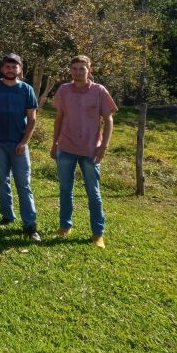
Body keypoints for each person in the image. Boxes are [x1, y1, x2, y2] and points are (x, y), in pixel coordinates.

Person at [50, 55, 118, 249]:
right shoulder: (64, 90)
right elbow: (59, 117)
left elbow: (109, 119)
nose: (78, 72)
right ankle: (65, 226)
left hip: (91, 150)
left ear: (90, 69)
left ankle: (98, 233)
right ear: (70, 70)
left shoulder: (99, 91)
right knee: (65, 189)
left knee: (93, 192)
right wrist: (55, 143)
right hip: (66, 147)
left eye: (82, 68)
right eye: (75, 68)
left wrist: (103, 146)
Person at [0, 54, 41, 242]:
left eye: (14, 67)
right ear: (2, 69)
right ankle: (7, 215)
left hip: (19, 145)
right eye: (7, 66)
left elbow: (32, 118)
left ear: (20, 69)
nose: (10, 70)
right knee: (2, 180)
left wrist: (24, 142)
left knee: (24, 184)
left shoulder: (26, 89)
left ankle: (30, 225)